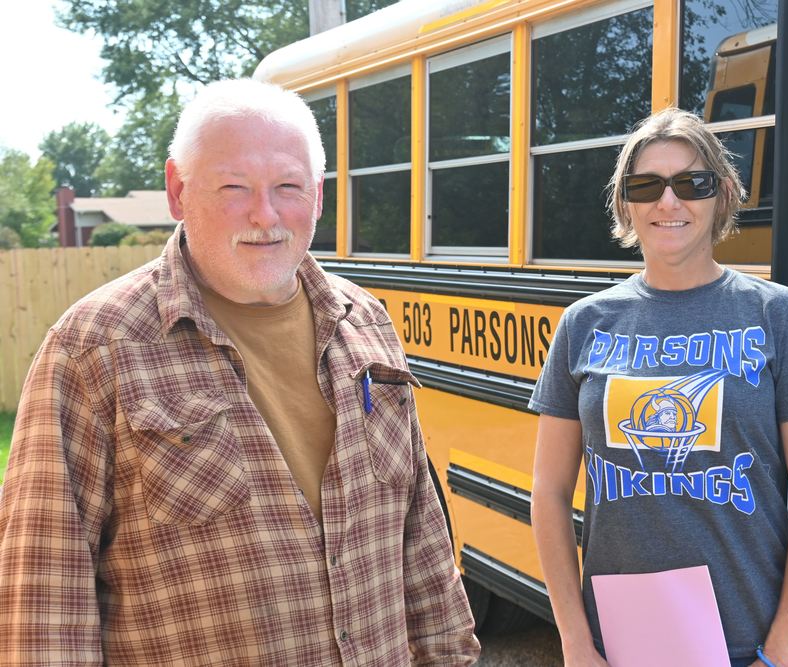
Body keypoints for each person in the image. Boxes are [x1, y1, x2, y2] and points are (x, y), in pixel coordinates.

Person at [0, 79, 479, 665]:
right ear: (178, 191)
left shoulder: (367, 325)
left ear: (319, 197)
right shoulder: (94, 348)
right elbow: (45, 594)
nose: (265, 214)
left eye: (288, 187)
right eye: (234, 187)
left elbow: (421, 538)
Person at [529, 108, 788, 667]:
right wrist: (577, 643)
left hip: (747, 646)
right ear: (625, 201)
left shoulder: (779, 316)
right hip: (618, 647)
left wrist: (778, 653)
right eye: (646, 185)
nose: (668, 202)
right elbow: (549, 495)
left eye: (692, 183)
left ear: (722, 194)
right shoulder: (585, 323)